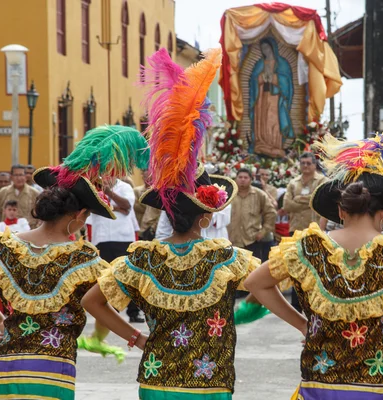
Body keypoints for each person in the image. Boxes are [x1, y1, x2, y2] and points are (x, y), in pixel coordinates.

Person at [82, 47, 260, 400]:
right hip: (211, 379)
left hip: (156, 376)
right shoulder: (228, 258)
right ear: (207, 217)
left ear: (166, 212)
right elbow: (264, 291)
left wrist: (136, 337)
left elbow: (93, 302)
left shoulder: (142, 258)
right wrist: (233, 318)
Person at [245, 133, 383, 399]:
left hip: (320, 387)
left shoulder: (307, 248)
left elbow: (255, 284)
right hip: (380, 388)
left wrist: (304, 325)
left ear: (340, 211)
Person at [0, 124, 149, 399]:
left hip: (4, 371)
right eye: (87, 216)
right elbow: (103, 305)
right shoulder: (84, 260)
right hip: (53, 372)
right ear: (78, 215)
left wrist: (2, 324)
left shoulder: (2, 246)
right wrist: (131, 338)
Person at [86, 176, 142, 323]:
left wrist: (109, 194)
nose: (106, 176)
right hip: (102, 237)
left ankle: (133, 311)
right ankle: (108, 312)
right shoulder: (92, 188)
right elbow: (93, 209)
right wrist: (116, 208)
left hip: (123, 238)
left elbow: (127, 206)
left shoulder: (125, 187)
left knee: (128, 276)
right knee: (105, 278)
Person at [229, 167, 276, 324]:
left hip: (252, 238)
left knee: (251, 271)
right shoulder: (230, 193)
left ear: (250, 179)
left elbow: (271, 213)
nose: (242, 179)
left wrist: (263, 231)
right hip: (232, 239)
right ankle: (235, 295)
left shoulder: (259, 195)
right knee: (233, 271)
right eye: (240, 177)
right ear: (236, 178)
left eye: (245, 177)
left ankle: (251, 298)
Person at [249, 37, 294, 158]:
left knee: (273, 120)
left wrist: (275, 78)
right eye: (262, 48)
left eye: (267, 47)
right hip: (262, 98)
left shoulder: (282, 64)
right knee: (262, 120)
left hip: (275, 98)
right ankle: (261, 143)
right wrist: (261, 78)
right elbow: (253, 80)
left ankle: (275, 145)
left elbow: (287, 81)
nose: (265, 50)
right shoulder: (260, 64)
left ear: (272, 48)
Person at [283, 152, 327, 235]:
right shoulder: (293, 182)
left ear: (314, 165)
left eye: (308, 163)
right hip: (295, 229)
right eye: (303, 163)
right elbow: (286, 205)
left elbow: (320, 200)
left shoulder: (322, 181)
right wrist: (310, 204)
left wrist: (299, 199)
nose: (305, 165)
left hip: (315, 229)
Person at [0, 165, 40, 229]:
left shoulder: (34, 193)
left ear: (25, 176)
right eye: (16, 175)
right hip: (7, 232)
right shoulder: (3, 192)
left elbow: (38, 215)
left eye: (21, 175)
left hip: (28, 231)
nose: (19, 178)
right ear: (11, 177)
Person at [133, 169, 162, 241]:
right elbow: (136, 207)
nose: (147, 179)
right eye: (145, 176)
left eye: (150, 177)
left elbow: (161, 212)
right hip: (141, 228)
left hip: (153, 229)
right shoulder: (136, 191)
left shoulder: (157, 192)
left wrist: (153, 227)